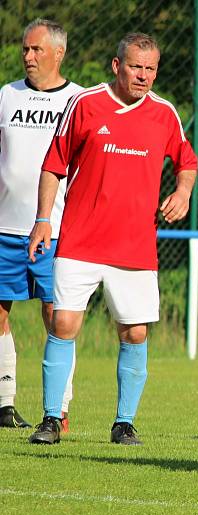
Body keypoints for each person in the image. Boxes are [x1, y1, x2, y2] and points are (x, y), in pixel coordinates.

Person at [26, 32, 198, 446]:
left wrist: (182, 192)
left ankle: (124, 423)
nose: (143, 76)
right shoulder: (84, 104)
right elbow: (53, 165)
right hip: (81, 239)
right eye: (136, 67)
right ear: (117, 65)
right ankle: (51, 419)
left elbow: (187, 161)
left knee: (135, 333)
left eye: (151, 68)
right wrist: (43, 219)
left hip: (135, 245)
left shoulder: (164, 113)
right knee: (64, 323)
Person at [0, 19, 82, 431]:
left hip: (57, 230)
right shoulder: (6, 96)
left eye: (37, 50)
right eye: (25, 49)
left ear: (58, 53)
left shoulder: (79, 101)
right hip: (4, 227)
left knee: (57, 315)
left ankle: (59, 407)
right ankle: (3, 402)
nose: (28, 57)